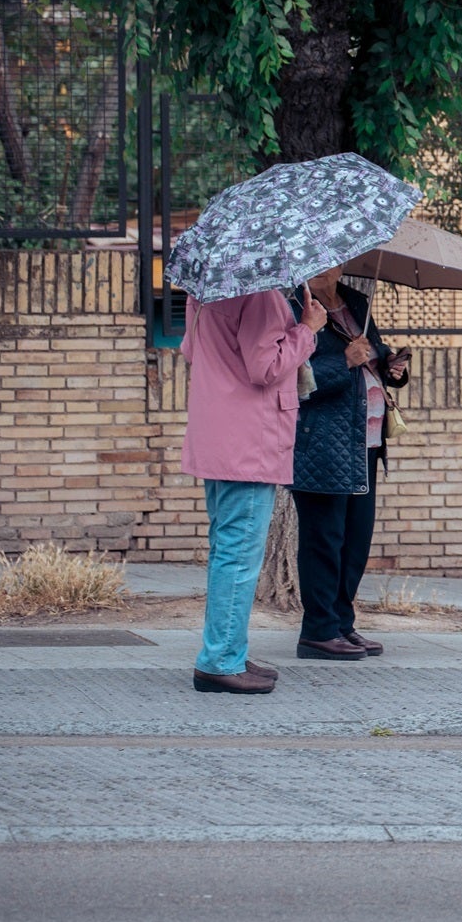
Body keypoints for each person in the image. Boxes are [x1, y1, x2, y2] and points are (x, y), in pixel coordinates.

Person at [180, 288, 326, 694]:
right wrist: (307, 330)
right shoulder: (260, 296)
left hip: (220, 435)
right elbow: (266, 366)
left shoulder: (204, 295)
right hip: (249, 440)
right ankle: (220, 660)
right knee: (238, 555)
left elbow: (190, 351)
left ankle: (228, 650)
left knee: (228, 550)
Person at [288, 269, 409, 661]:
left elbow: (371, 353)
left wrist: (391, 366)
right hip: (321, 443)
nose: (335, 268)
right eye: (327, 261)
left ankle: (342, 624)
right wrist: (343, 361)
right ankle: (318, 631)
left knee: (356, 539)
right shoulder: (294, 307)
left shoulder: (355, 302)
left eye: (340, 260)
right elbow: (293, 381)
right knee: (324, 540)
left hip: (365, 443)